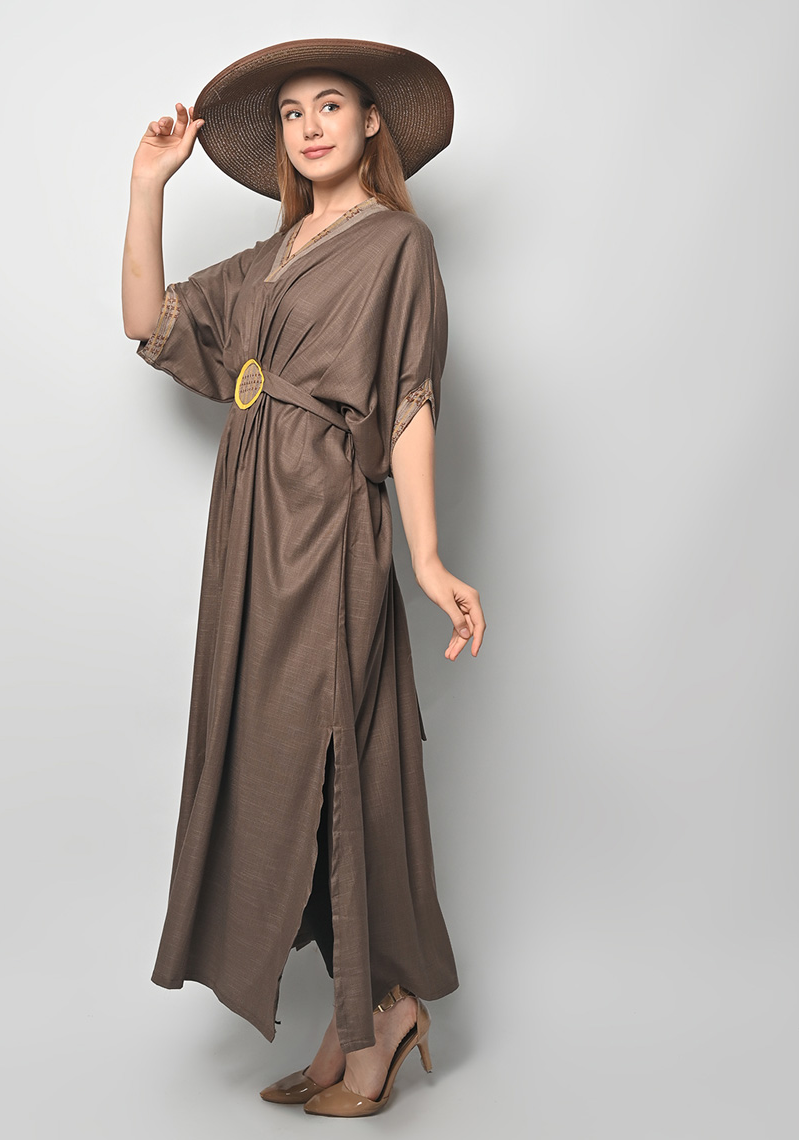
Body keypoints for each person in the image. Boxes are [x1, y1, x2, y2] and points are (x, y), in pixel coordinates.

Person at [120, 38, 485, 1118]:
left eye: (331, 105)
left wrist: (426, 556)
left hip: (325, 522)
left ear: (373, 123)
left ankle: (380, 1015)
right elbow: (148, 323)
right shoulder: (270, 258)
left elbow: (409, 400)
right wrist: (146, 189)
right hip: (247, 528)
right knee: (271, 758)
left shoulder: (398, 246)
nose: (310, 126)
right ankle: (361, 1011)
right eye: (291, 112)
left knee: (337, 760)